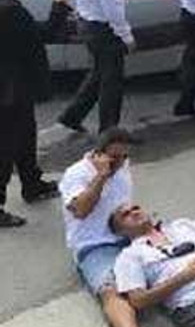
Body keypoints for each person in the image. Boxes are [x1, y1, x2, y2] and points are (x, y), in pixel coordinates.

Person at [0, 0, 70, 227]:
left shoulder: (9, 4)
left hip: (14, 87)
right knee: (6, 145)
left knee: (25, 136)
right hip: (9, 89)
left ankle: (32, 183)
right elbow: (45, 34)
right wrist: (60, 2)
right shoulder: (9, 9)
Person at [59, 0, 135, 134]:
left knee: (99, 73)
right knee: (111, 83)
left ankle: (72, 115)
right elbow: (113, 7)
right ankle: (109, 132)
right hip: (104, 29)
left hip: (87, 23)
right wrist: (126, 36)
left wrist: (76, 7)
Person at [58, 127, 140, 327]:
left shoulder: (122, 167)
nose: (120, 163)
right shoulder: (76, 174)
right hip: (95, 246)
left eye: (124, 156)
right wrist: (101, 176)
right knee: (111, 290)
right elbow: (80, 210)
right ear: (98, 154)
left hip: (126, 237)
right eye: (114, 158)